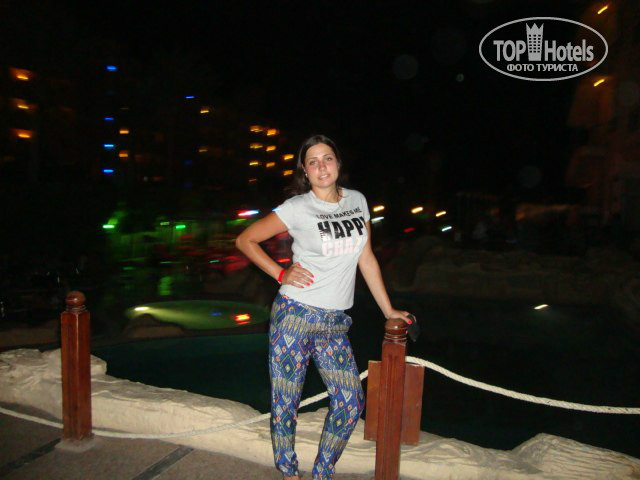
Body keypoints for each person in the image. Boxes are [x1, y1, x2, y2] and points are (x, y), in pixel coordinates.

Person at [235, 134, 412, 480]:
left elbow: (366, 258)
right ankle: (289, 472)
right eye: (313, 161)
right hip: (295, 315)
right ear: (305, 170)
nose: (321, 167)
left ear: (338, 163)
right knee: (286, 402)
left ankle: (322, 471)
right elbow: (246, 240)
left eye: (327, 158)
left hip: (334, 321)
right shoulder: (296, 207)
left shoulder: (358, 201)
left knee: (350, 401)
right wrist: (281, 273)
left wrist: (389, 311)